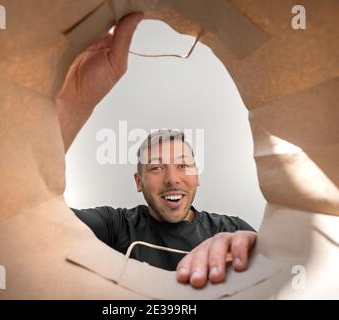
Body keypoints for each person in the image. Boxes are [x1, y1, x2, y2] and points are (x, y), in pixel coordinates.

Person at [56, 12, 257, 289]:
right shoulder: (116, 226)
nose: (172, 178)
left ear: (198, 175)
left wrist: (260, 249)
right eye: (156, 167)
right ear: (138, 182)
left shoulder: (230, 230)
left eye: (183, 165)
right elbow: (36, 217)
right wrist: (73, 103)